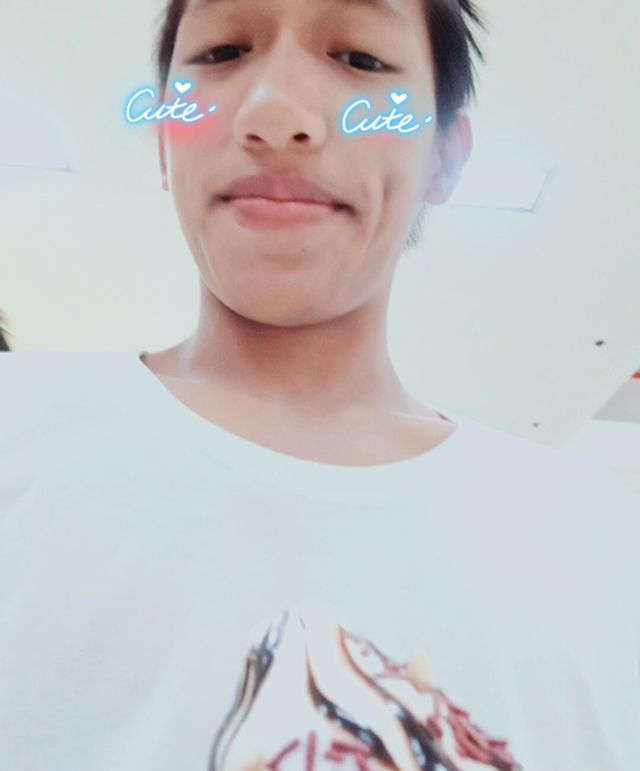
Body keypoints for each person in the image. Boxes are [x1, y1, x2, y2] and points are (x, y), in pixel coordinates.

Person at [0, 1, 638, 770]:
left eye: (361, 59)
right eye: (223, 51)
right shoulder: (18, 433)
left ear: (445, 158)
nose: (276, 114)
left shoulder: (597, 547)